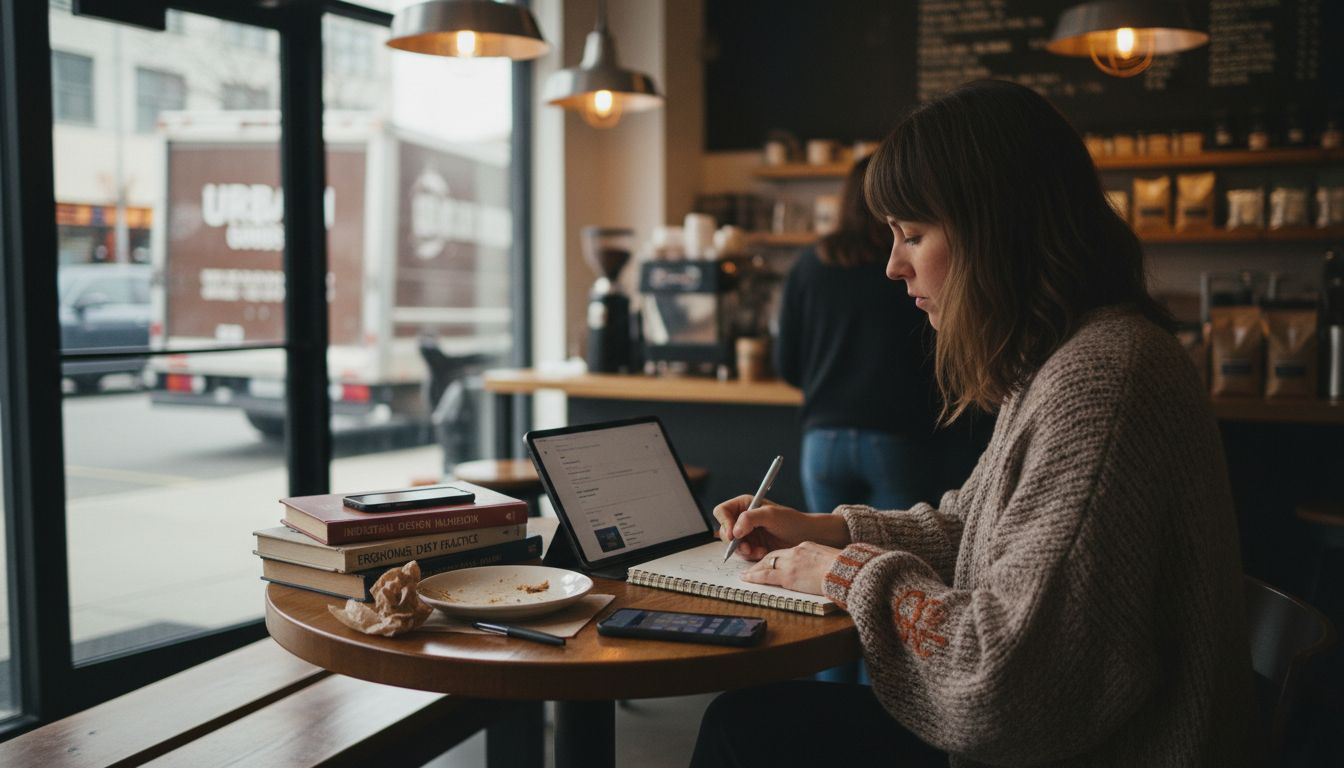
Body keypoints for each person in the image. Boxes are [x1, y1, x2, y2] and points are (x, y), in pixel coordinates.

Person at [692, 80, 1254, 767]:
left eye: (914, 235)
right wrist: (825, 530)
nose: (894, 266)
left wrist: (843, 571)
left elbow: (1006, 680)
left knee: (746, 730)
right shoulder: (1067, 358)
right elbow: (971, 530)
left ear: (999, 232)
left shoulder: (1102, 381)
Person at [775, 155, 940, 516]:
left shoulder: (808, 264)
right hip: (896, 437)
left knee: (830, 562)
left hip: (822, 441)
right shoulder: (910, 266)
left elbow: (786, 364)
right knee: (896, 554)